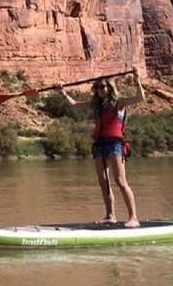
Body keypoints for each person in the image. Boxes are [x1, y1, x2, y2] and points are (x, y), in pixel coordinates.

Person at [57, 68, 144, 228]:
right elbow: (75, 105)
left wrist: (137, 79)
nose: (100, 90)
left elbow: (140, 97)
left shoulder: (119, 103)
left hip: (115, 145)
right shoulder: (95, 105)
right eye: (97, 87)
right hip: (99, 145)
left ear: (109, 87)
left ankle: (133, 217)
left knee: (120, 181)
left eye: (103, 86)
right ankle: (110, 216)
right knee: (103, 181)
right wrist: (62, 92)